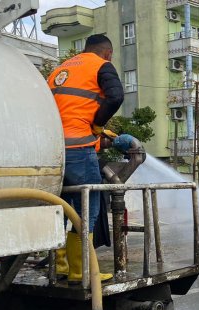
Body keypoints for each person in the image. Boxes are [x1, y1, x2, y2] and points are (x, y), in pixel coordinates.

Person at [47, 34, 124, 284]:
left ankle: (60, 267)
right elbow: (115, 97)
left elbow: (67, 109)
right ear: (108, 53)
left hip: (53, 151)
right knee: (86, 208)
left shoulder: (60, 70)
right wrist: (98, 126)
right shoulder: (101, 65)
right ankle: (81, 272)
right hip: (80, 148)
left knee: (60, 209)